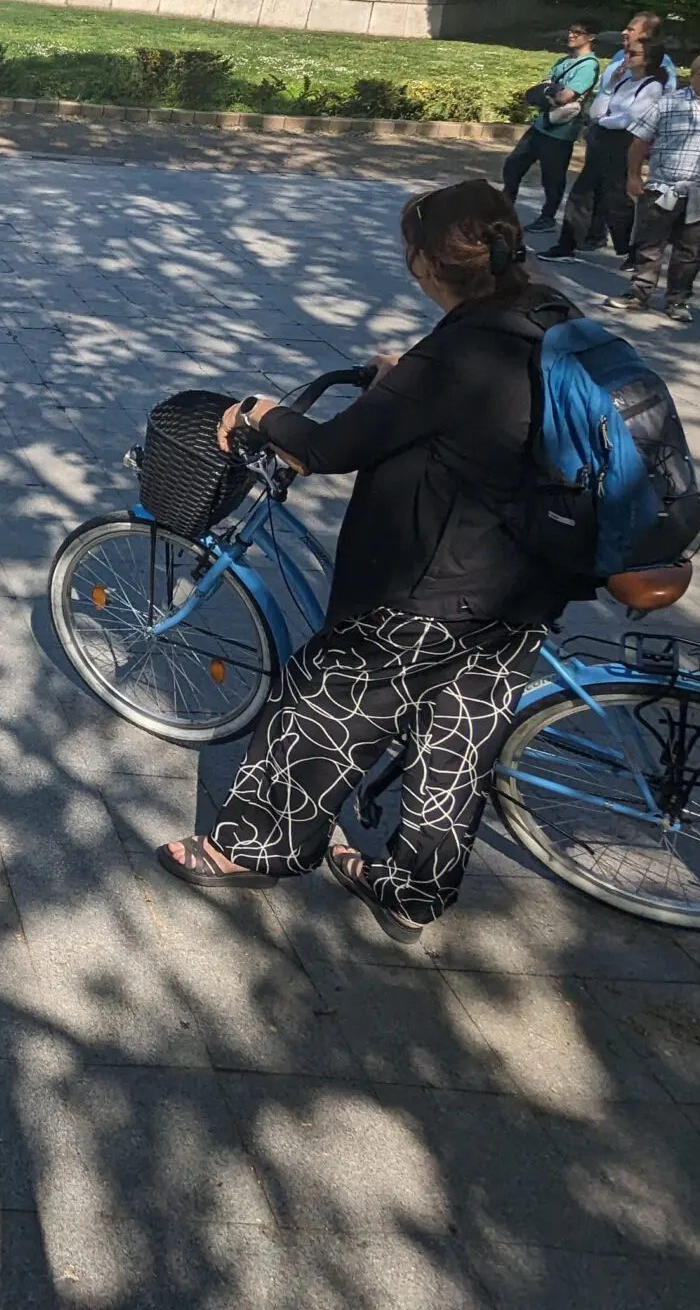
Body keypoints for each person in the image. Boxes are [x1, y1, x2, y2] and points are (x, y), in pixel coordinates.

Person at [156, 181, 580, 942]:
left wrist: (254, 410)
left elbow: (326, 449)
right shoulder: (546, 316)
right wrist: (404, 381)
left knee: (321, 707)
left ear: (422, 262)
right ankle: (414, 894)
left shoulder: (460, 350)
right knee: (458, 738)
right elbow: (483, 417)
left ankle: (247, 848)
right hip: (527, 581)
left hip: (431, 586)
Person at [615, 49, 700, 321]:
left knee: (691, 250)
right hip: (662, 187)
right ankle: (638, 293)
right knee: (649, 245)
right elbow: (639, 142)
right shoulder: (668, 103)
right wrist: (634, 175)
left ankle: (678, 300)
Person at [543, 15, 671, 261]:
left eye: (633, 55)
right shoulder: (623, 81)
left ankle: (631, 250)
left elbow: (630, 119)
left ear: (648, 60)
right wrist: (611, 87)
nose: (626, 58)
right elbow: (598, 109)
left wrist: (605, 120)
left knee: (617, 200)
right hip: (603, 140)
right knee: (582, 193)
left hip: (623, 144)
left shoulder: (652, 86)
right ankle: (567, 244)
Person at [501, 24, 601, 231]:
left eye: (578, 33)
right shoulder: (564, 61)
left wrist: (550, 93)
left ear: (591, 37)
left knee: (552, 177)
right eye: (571, 31)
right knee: (513, 166)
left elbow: (565, 96)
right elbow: (542, 88)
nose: (571, 35)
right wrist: (551, 93)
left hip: (561, 132)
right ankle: (504, 209)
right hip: (541, 125)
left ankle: (547, 218)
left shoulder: (588, 66)